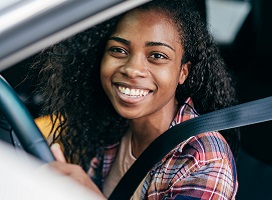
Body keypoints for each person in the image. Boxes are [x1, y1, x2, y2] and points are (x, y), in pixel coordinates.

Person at [33, 0, 239, 199]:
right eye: (119, 50)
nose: (132, 69)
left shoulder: (204, 159)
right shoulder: (107, 124)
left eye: (157, 56)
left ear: (183, 72)